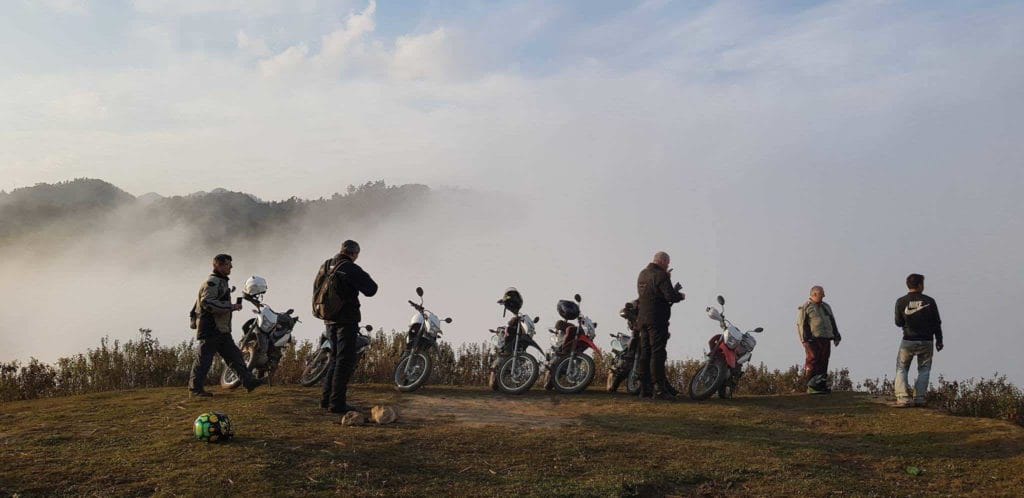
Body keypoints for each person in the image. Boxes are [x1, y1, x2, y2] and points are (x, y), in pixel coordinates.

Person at [187, 254, 263, 397]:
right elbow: (207, 303)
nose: (231, 267)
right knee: (204, 361)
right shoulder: (213, 282)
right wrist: (231, 306)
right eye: (228, 264)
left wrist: (230, 307)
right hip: (211, 328)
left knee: (235, 357)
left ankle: (249, 382)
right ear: (218, 266)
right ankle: (195, 390)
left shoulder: (220, 282)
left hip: (221, 329)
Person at [318, 240, 378, 414]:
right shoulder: (350, 268)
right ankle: (337, 403)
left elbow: (317, 287)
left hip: (328, 318)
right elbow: (371, 289)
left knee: (335, 358)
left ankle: (325, 400)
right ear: (354, 254)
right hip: (346, 319)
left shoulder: (326, 265)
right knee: (344, 361)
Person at [636, 251, 685, 400]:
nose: (667, 266)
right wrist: (680, 296)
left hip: (642, 319)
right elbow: (670, 296)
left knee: (645, 352)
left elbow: (650, 292)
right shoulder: (661, 275)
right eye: (667, 264)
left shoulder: (642, 274)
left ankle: (644, 388)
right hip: (657, 319)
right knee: (658, 353)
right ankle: (658, 389)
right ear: (662, 261)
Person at [893, 273, 943, 407]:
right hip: (927, 340)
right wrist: (939, 340)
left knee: (902, 368)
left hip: (908, 340)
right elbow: (936, 322)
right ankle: (919, 398)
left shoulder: (901, 301)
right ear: (920, 285)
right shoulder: (930, 301)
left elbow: (898, 322)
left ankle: (903, 398)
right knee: (924, 369)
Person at [797, 286, 841, 394]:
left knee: (824, 361)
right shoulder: (806, 307)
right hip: (812, 339)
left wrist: (836, 335)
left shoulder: (826, 306)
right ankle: (810, 386)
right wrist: (804, 341)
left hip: (826, 338)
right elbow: (800, 324)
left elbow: (832, 321)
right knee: (813, 360)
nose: (824, 296)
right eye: (822, 294)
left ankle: (820, 386)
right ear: (815, 294)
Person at [608, 299, 641, 393]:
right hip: (637, 333)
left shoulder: (653, 305)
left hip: (648, 335)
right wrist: (630, 315)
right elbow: (623, 311)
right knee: (628, 361)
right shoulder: (637, 302)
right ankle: (614, 385)